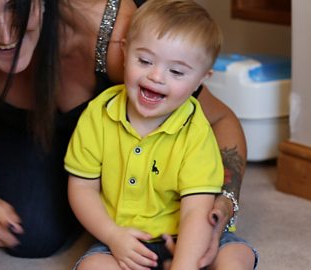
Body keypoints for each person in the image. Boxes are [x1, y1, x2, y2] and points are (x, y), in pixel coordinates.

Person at [0, 0, 255, 265]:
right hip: (34, 134)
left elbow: (222, 123)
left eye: (15, 9)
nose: (4, 36)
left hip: (128, 138)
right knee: (28, 235)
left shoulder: (116, 37)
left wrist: (221, 207)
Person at [65, 1, 256, 269]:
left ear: (202, 79)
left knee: (235, 258)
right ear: (124, 51)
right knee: (92, 267)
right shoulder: (99, 113)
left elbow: (195, 211)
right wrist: (113, 236)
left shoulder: (196, 131)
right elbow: (82, 188)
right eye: (144, 60)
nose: (156, 76)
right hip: (125, 238)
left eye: (176, 71)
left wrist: (184, 264)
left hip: (187, 237)